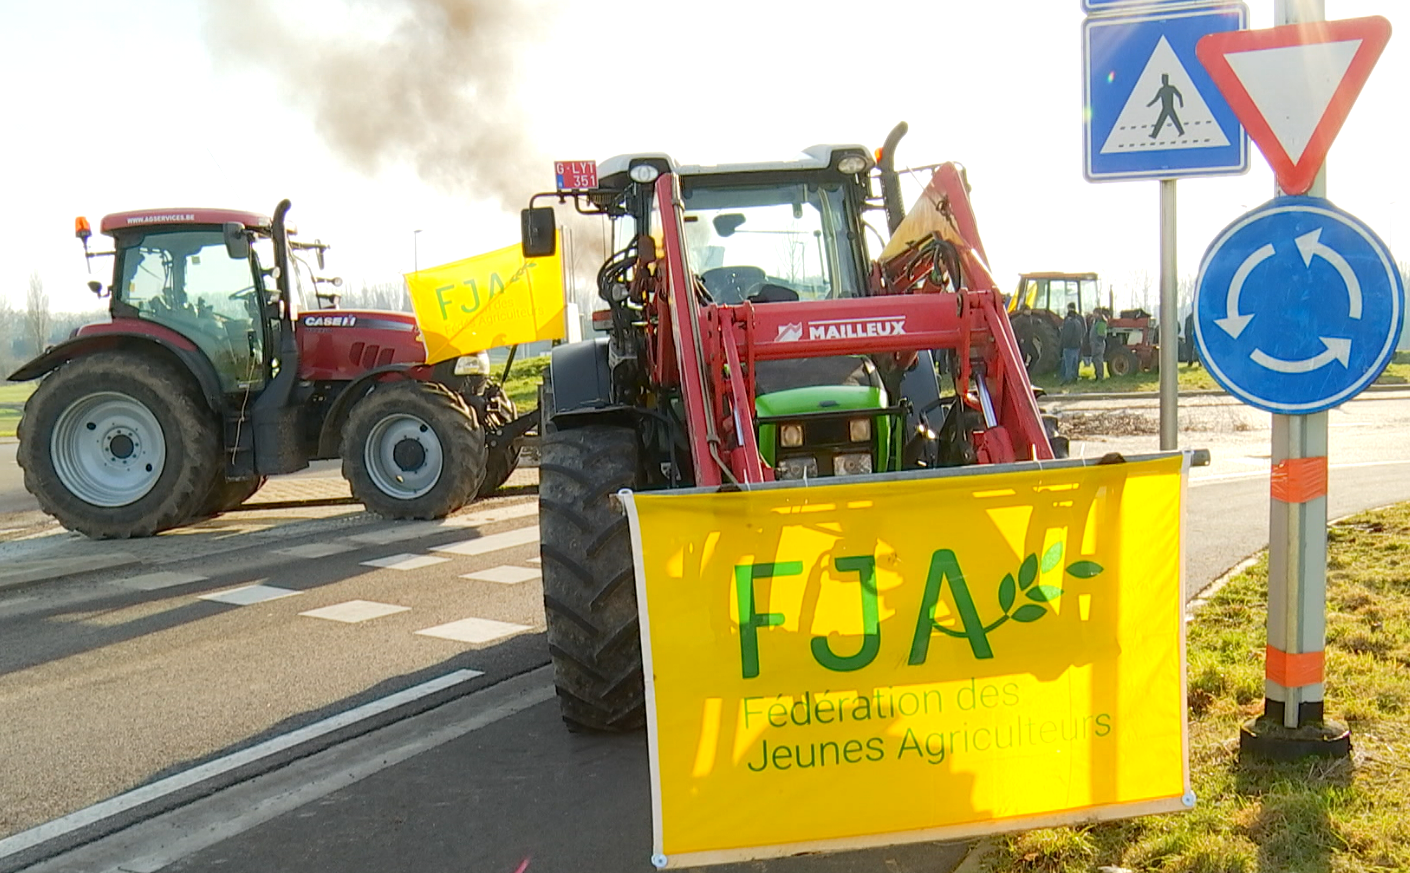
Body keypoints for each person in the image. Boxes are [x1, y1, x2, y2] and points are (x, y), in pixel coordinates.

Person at [1059, 303, 1085, 383]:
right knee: (1075, 363)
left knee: (1068, 364)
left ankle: (1068, 379)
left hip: (1069, 346)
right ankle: (1075, 378)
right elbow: (1083, 331)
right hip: (1077, 346)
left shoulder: (1069, 323)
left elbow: (1066, 335)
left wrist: (1062, 345)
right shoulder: (1078, 321)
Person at [1088, 308, 1108, 381]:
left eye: (1095, 313)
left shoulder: (1101, 323)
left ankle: (1100, 376)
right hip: (1094, 344)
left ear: (1098, 314)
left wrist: (1096, 342)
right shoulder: (1095, 322)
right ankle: (1096, 375)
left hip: (1098, 345)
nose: (1093, 315)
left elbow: (1101, 335)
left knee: (1098, 361)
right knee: (1095, 360)